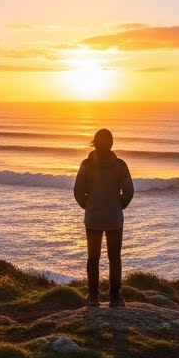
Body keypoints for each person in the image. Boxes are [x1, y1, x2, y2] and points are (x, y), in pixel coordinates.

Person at [73, 128, 134, 308]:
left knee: (93, 258)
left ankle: (93, 298)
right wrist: (118, 205)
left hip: (93, 219)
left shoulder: (86, 164)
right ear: (112, 143)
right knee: (114, 258)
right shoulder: (120, 165)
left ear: (95, 142)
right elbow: (129, 191)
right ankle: (115, 298)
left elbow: (78, 191)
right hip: (114, 219)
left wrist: (89, 205)